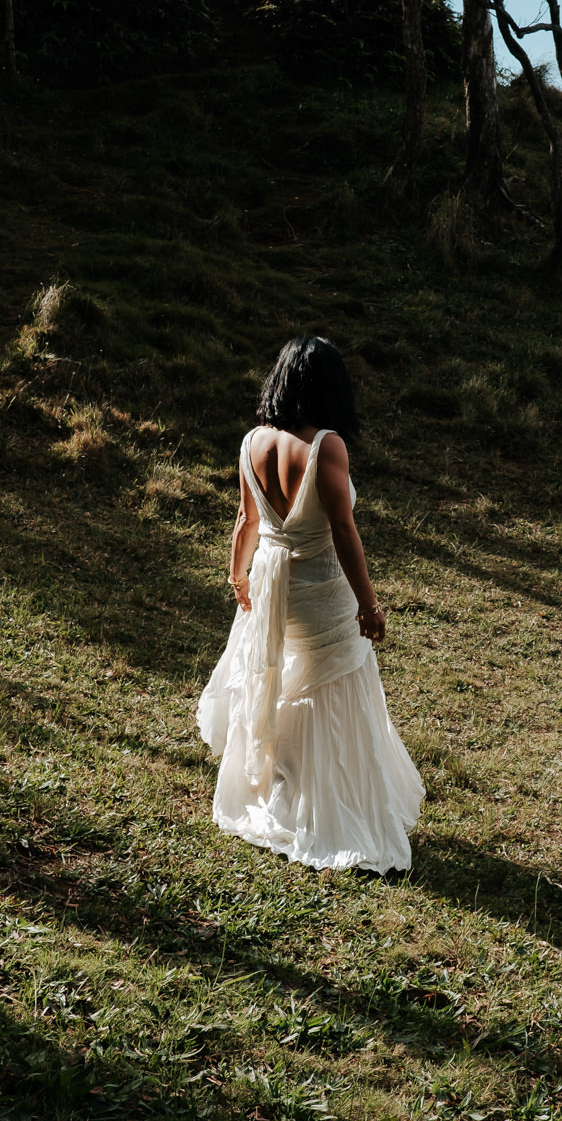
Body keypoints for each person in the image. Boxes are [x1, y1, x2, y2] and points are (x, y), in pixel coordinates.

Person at [197, 336, 424, 874]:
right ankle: (332, 809)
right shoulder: (327, 446)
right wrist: (369, 605)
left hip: (273, 584)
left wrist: (237, 574)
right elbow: (343, 529)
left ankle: (283, 789)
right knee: (332, 687)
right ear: (329, 387)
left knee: (284, 679)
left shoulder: (253, 441)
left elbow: (246, 520)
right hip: (321, 593)